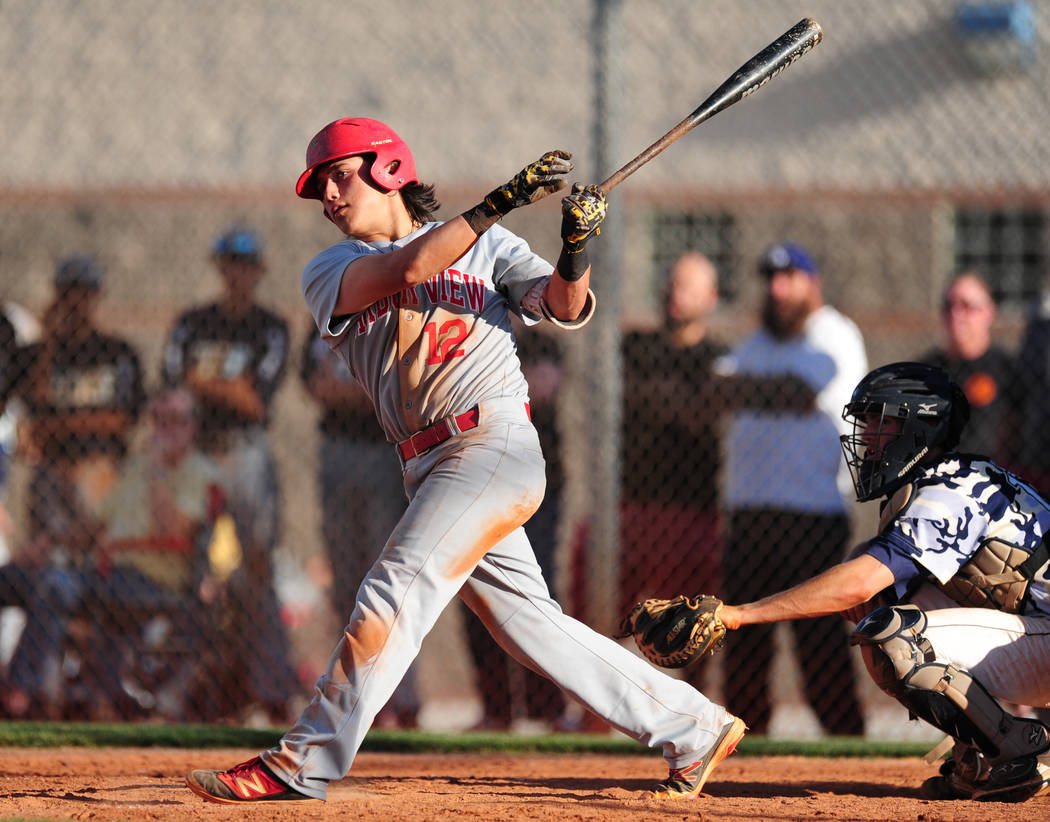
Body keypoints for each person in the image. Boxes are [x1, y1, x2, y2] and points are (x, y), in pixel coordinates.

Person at [186, 116, 744, 803]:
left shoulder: (492, 246)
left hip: (493, 444)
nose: (328, 195)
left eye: (339, 175)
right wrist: (496, 202)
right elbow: (410, 268)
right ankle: (692, 725)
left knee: (392, 590)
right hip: (427, 464)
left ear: (387, 167)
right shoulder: (330, 268)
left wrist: (576, 246)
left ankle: (305, 761)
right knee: (530, 626)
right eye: (321, 185)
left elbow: (567, 307)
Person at [712, 362, 1050, 802]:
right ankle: (985, 756)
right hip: (1037, 635)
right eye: (867, 420)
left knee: (894, 637)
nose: (868, 435)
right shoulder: (950, 478)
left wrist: (737, 614)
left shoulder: (947, 493)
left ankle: (1018, 753)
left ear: (920, 430)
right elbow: (878, 577)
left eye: (883, 421)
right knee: (892, 602)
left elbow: (858, 583)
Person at [713, 242, 867, 737]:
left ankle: (845, 742)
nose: (778, 289)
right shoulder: (758, 342)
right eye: (772, 279)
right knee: (743, 639)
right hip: (751, 512)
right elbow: (718, 391)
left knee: (818, 641)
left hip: (812, 513)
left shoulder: (834, 334)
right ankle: (743, 743)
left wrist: (756, 391)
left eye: (790, 278)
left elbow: (801, 392)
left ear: (812, 282)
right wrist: (770, 389)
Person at [0, 255, 146, 718]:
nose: (76, 303)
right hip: (52, 475)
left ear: (96, 297)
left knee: (91, 575)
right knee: (47, 571)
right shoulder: (40, 352)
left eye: (84, 293)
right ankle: (47, 690)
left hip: (99, 473)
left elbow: (118, 419)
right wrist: (46, 341)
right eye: (68, 293)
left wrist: (54, 428)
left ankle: (95, 686)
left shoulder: (115, 351)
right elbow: (26, 402)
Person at [162, 228, 298, 722]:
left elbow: (254, 400)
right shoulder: (192, 321)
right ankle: (193, 689)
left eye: (245, 265)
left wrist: (203, 383)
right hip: (197, 451)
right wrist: (226, 386)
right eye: (229, 264)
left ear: (257, 270)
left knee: (258, 567)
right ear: (220, 268)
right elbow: (171, 384)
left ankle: (272, 687)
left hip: (244, 451)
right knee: (194, 569)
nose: (236, 273)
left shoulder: (269, 326)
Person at [299, 326, 420, 729]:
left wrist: (353, 390)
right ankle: (354, 691)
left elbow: (400, 388)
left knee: (391, 578)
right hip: (338, 453)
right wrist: (363, 391)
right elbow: (315, 385)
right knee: (347, 579)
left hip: (388, 454)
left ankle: (402, 697)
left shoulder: (395, 311)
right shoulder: (328, 312)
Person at [619, 251, 727, 693]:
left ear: (711, 298)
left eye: (687, 286)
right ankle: (589, 717)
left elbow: (703, 412)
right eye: (671, 282)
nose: (673, 293)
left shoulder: (719, 357)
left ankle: (696, 709)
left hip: (693, 508)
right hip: (630, 503)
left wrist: (666, 399)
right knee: (603, 612)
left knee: (694, 623)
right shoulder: (634, 347)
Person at [462, 318, 567, 730]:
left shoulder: (540, 343)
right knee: (478, 592)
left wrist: (480, 387)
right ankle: (497, 707)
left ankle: (547, 706)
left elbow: (541, 388)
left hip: (533, 484)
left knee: (536, 593)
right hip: (475, 479)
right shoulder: (465, 335)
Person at [919, 271, 1018, 461]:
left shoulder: (1009, 369)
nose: (956, 314)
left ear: (989, 312)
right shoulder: (924, 371)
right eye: (949, 306)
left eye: (966, 306)